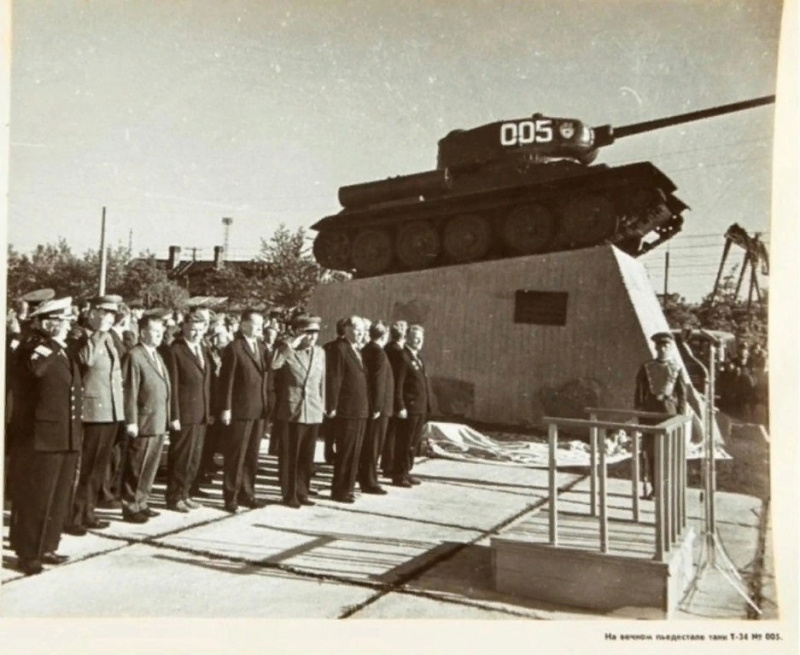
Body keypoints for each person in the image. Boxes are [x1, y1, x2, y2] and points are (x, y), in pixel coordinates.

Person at [7, 297, 83, 575]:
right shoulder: (33, 346)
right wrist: (51, 343)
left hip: (64, 434)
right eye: (56, 320)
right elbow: (35, 371)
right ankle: (28, 552)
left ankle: (48, 545)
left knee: (58, 496)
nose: (63, 325)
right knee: (36, 497)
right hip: (42, 436)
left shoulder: (60, 348)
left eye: (63, 320)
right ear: (40, 321)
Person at [67, 295, 125, 534]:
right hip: (91, 411)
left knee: (98, 468)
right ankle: (74, 516)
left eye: (111, 315)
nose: (108, 319)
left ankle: (88, 512)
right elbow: (87, 361)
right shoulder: (79, 336)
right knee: (85, 468)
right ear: (91, 313)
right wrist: (100, 333)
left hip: (110, 410)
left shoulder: (111, 338)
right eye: (103, 313)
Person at [121, 313, 172, 523]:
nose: (160, 334)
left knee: (150, 466)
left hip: (158, 419)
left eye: (161, 330)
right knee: (137, 465)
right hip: (143, 420)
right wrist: (131, 421)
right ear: (142, 332)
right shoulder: (135, 355)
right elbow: (129, 390)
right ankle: (130, 506)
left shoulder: (156, 354)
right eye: (154, 330)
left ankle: (142, 501)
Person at [219, 308, 271, 513]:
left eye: (261, 325)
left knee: (251, 455)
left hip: (258, 408)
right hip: (240, 409)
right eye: (256, 324)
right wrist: (226, 408)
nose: (260, 328)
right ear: (243, 325)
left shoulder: (261, 346)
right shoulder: (234, 348)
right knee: (236, 455)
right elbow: (227, 381)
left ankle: (247, 493)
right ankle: (230, 496)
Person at [271, 315, 326, 508]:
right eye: (307, 332)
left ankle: (302, 491)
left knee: (306, 455)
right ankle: (289, 494)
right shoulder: (287, 350)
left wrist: (322, 406)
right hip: (292, 409)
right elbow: (274, 364)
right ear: (298, 332)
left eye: (315, 333)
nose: (312, 337)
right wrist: (291, 344)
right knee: (290, 455)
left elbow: (322, 382)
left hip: (312, 409)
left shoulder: (320, 353)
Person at [164, 310, 214, 512]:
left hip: (200, 411)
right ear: (183, 327)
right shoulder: (175, 350)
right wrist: (174, 415)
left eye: (200, 329)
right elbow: (173, 385)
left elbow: (207, 382)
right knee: (181, 456)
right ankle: (174, 496)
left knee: (194, 457)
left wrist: (209, 410)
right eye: (192, 329)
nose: (196, 333)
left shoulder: (202, 348)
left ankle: (186, 493)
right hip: (184, 412)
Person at [634, 331, 688, 500]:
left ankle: (668, 487)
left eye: (666, 345)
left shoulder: (677, 368)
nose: (662, 348)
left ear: (670, 347)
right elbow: (639, 390)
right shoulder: (647, 367)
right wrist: (639, 410)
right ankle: (655, 488)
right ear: (655, 347)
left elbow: (682, 394)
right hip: (650, 413)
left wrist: (681, 415)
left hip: (668, 414)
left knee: (668, 453)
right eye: (660, 345)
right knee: (650, 453)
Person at [325, 315, 369, 503]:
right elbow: (335, 379)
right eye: (357, 329)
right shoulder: (339, 348)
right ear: (346, 328)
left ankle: (349, 488)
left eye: (362, 330)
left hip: (359, 409)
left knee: (354, 451)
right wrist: (332, 405)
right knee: (345, 451)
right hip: (347, 409)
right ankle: (340, 490)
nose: (360, 333)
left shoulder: (356, 349)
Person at [392, 325, 431, 488]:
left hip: (419, 408)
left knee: (413, 443)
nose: (419, 341)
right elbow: (399, 384)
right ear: (407, 338)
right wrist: (400, 405)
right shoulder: (403, 356)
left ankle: (407, 470)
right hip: (409, 407)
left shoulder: (418, 357)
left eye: (421, 338)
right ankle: (398, 474)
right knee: (404, 442)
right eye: (416, 338)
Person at [357, 320, 394, 495]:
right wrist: (378, 407)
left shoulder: (366, 350)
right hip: (379, 408)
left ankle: (365, 477)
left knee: (368, 445)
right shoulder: (379, 353)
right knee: (373, 446)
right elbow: (378, 382)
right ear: (384, 334)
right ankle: (370, 481)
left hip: (371, 406)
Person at [380, 320, 407, 477]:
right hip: (395, 396)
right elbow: (399, 379)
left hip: (387, 395)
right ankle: (388, 464)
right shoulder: (399, 353)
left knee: (388, 433)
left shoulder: (387, 348)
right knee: (392, 433)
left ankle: (386, 462)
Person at [321, 317, 348, 464]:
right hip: (341, 393)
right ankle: (334, 455)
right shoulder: (344, 348)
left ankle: (328, 453)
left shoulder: (327, 346)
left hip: (327, 390)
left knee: (329, 428)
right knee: (339, 429)